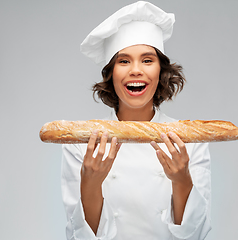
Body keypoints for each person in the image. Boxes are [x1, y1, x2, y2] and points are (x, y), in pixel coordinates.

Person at [61, 1, 212, 239]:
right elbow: (78, 236)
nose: (136, 70)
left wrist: (181, 179)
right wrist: (91, 182)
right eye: (123, 61)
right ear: (111, 74)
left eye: (147, 60)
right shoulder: (81, 143)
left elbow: (196, 234)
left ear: (160, 71)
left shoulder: (189, 141)